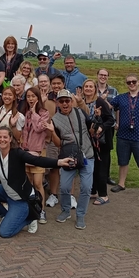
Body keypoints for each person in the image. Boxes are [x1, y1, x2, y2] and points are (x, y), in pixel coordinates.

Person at [0, 125, 73, 238]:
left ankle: (30, 219)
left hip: (21, 199)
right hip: (7, 192)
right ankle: (7, 216)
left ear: (10, 138)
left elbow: (37, 160)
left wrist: (59, 162)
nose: (2, 139)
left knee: (4, 233)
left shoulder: (17, 154)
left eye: (5, 137)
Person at [50, 89, 95, 229]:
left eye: (67, 101)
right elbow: (57, 143)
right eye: (61, 101)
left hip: (87, 154)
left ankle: (81, 215)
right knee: (64, 187)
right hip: (68, 157)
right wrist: (51, 131)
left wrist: (97, 123)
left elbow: (91, 129)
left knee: (86, 187)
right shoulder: (55, 119)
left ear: (71, 101)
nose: (65, 104)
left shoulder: (80, 112)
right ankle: (65, 210)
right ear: (57, 103)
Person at [80, 79, 115, 206]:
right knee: (91, 166)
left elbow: (111, 119)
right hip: (89, 141)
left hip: (101, 141)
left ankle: (104, 195)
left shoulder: (99, 101)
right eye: (86, 86)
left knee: (101, 167)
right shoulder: (82, 102)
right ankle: (93, 191)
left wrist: (102, 126)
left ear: (95, 89)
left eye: (91, 86)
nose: (88, 89)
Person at [20, 86, 51, 224]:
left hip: (38, 151)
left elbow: (39, 128)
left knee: (38, 183)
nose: (31, 99)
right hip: (27, 151)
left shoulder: (44, 113)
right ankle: (30, 209)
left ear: (38, 97)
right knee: (29, 183)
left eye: (33, 96)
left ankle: (41, 210)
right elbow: (24, 132)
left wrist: (34, 114)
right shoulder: (26, 113)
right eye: (28, 96)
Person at [38, 74, 60, 208]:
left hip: (61, 136)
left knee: (55, 166)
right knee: (46, 165)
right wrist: (42, 101)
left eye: (46, 81)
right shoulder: (44, 98)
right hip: (46, 136)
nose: (43, 84)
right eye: (41, 81)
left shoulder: (65, 98)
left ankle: (54, 193)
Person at [96, 68, 119, 185]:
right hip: (95, 124)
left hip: (109, 124)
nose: (103, 77)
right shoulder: (91, 88)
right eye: (101, 74)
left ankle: (106, 176)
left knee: (106, 151)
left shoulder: (113, 91)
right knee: (94, 149)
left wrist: (117, 122)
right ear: (97, 76)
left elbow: (116, 108)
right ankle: (94, 174)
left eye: (105, 75)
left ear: (108, 77)